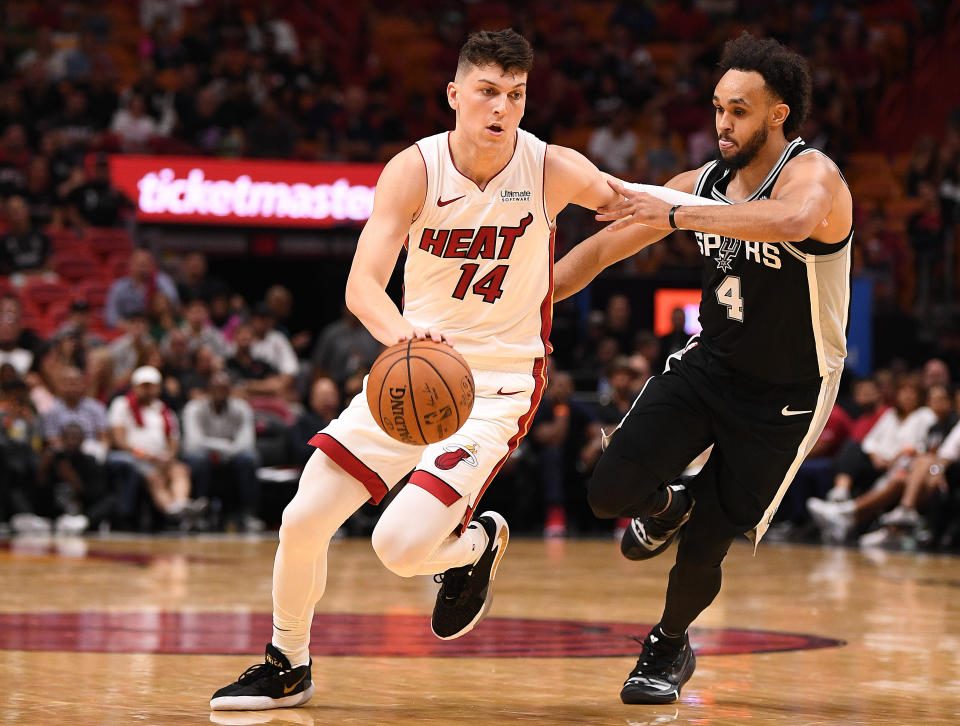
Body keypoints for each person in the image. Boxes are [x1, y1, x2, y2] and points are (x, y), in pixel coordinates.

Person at [211, 28, 646, 711]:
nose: (501, 109)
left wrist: (711, 205)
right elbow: (362, 286)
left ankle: (472, 546)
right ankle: (287, 662)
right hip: (415, 373)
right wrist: (401, 334)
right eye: (486, 93)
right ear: (454, 95)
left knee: (398, 546)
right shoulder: (414, 170)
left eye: (515, 95)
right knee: (302, 518)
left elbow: (632, 205)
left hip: (498, 385)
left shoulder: (551, 167)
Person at [552, 33, 853, 704]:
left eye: (739, 110)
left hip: (789, 390)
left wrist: (682, 213)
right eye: (718, 107)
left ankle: (667, 645)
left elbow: (795, 220)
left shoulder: (815, 177)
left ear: (778, 113)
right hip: (708, 367)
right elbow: (602, 250)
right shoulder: (703, 181)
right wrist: (529, 302)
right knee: (607, 491)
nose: (722, 122)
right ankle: (665, 506)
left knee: (707, 547)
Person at [181, 371, 261, 532]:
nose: (219, 392)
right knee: (198, 459)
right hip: (205, 456)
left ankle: (247, 514)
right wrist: (225, 446)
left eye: (224, 388)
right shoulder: (194, 408)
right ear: (208, 389)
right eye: (215, 388)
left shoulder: (242, 408)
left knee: (249, 458)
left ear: (230, 390)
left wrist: (226, 451)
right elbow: (193, 443)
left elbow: (247, 443)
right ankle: (198, 514)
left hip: (232, 457)